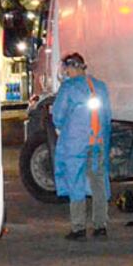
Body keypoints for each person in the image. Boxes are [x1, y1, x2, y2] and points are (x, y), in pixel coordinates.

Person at [52, 53, 112, 240]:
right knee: (98, 183)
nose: (65, 72)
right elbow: (107, 116)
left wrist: (61, 127)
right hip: (98, 142)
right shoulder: (100, 86)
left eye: (66, 68)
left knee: (75, 182)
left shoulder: (68, 87)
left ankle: (78, 228)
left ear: (71, 67)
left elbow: (58, 116)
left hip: (76, 143)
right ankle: (100, 226)